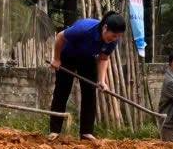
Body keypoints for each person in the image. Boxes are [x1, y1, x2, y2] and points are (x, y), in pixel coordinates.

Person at [49, 12, 126, 141]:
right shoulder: (83, 30)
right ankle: (54, 131)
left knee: (90, 91)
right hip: (68, 55)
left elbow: (103, 58)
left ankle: (86, 132)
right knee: (62, 92)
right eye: (113, 35)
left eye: (118, 36)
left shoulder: (112, 41)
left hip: (87, 58)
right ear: (105, 28)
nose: (115, 39)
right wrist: (56, 59)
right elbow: (60, 37)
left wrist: (102, 81)